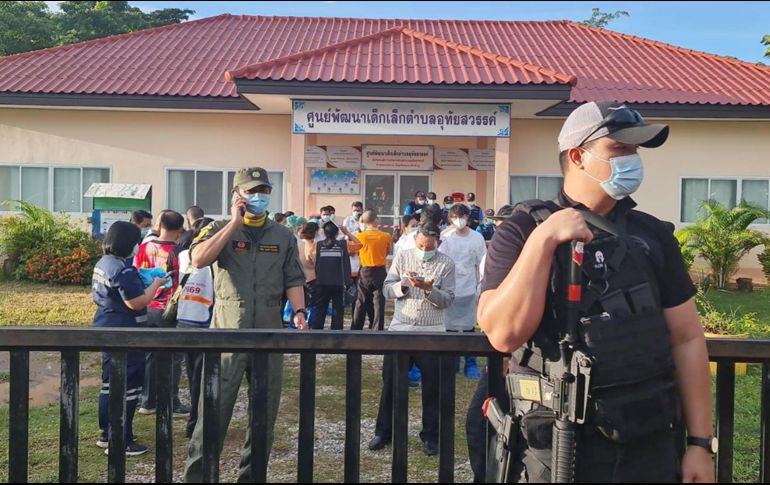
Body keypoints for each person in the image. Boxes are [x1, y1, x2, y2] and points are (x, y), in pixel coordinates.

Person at [477, 101, 714, 482]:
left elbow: (686, 338)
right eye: (619, 148)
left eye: (635, 150)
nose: (632, 159)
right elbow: (503, 334)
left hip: (647, 448)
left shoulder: (651, 236)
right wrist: (544, 241)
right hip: (554, 449)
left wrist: (700, 444)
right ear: (578, 156)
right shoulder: (521, 230)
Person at [184, 167, 308, 483]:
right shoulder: (217, 228)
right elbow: (198, 260)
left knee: (263, 414)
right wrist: (234, 224)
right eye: (252, 191)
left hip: (268, 332)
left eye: (264, 191)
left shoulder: (283, 235)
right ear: (236, 194)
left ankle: (252, 477)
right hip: (228, 331)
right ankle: (199, 477)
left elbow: (293, 278)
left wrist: (299, 311)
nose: (258, 196)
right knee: (213, 410)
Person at [369, 222, 456, 456]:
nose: (425, 250)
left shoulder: (447, 263)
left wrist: (429, 290)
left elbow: (448, 299)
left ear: (438, 243)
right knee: (391, 383)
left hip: (432, 332)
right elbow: (387, 289)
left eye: (430, 246)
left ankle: (431, 436)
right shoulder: (403, 256)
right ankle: (384, 431)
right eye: (421, 245)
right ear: (415, 239)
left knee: (433, 387)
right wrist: (404, 286)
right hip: (401, 328)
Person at [92, 221, 168, 457]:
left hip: (107, 327)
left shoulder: (104, 262)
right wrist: (156, 285)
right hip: (126, 333)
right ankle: (121, 439)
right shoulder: (123, 270)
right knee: (129, 387)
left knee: (110, 384)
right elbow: (137, 302)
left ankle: (107, 433)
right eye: (137, 241)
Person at [133, 210, 189, 418]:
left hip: (147, 305)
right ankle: (171, 402)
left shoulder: (145, 246)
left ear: (160, 225)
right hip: (168, 310)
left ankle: (147, 401)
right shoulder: (179, 252)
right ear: (180, 229)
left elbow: (136, 271)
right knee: (173, 358)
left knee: (150, 355)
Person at [175, 216, 215, 438]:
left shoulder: (182, 255)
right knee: (204, 377)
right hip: (204, 322)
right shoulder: (215, 259)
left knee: (193, 375)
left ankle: (194, 421)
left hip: (183, 319)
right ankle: (198, 422)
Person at [438, 204, 486, 379]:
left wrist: (481, 285)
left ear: (468, 217)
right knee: (449, 327)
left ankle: (470, 363)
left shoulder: (477, 238)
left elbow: (483, 262)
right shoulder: (446, 237)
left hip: (469, 287)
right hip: (450, 287)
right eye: (454, 217)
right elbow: (439, 260)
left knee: (469, 327)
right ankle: (453, 362)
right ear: (450, 218)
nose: (458, 220)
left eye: (462, 216)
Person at [309, 222, 356, 330]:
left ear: (324, 233)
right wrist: (347, 233)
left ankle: (316, 332)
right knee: (338, 309)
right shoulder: (344, 245)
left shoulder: (318, 245)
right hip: (339, 283)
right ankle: (336, 333)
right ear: (337, 233)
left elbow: (311, 258)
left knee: (320, 309)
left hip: (321, 281)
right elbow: (359, 244)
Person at [351, 210, 392, 331]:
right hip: (380, 270)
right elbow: (387, 251)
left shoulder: (360, 236)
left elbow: (356, 252)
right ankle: (377, 329)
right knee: (379, 302)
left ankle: (356, 328)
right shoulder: (386, 236)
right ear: (376, 220)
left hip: (365, 270)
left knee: (361, 300)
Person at [298, 222, 320, 322]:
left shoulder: (297, 244)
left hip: (298, 279)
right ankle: (308, 325)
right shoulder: (311, 247)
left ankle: (295, 324)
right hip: (311, 279)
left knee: (299, 305)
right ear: (315, 232)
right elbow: (315, 262)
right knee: (312, 305)